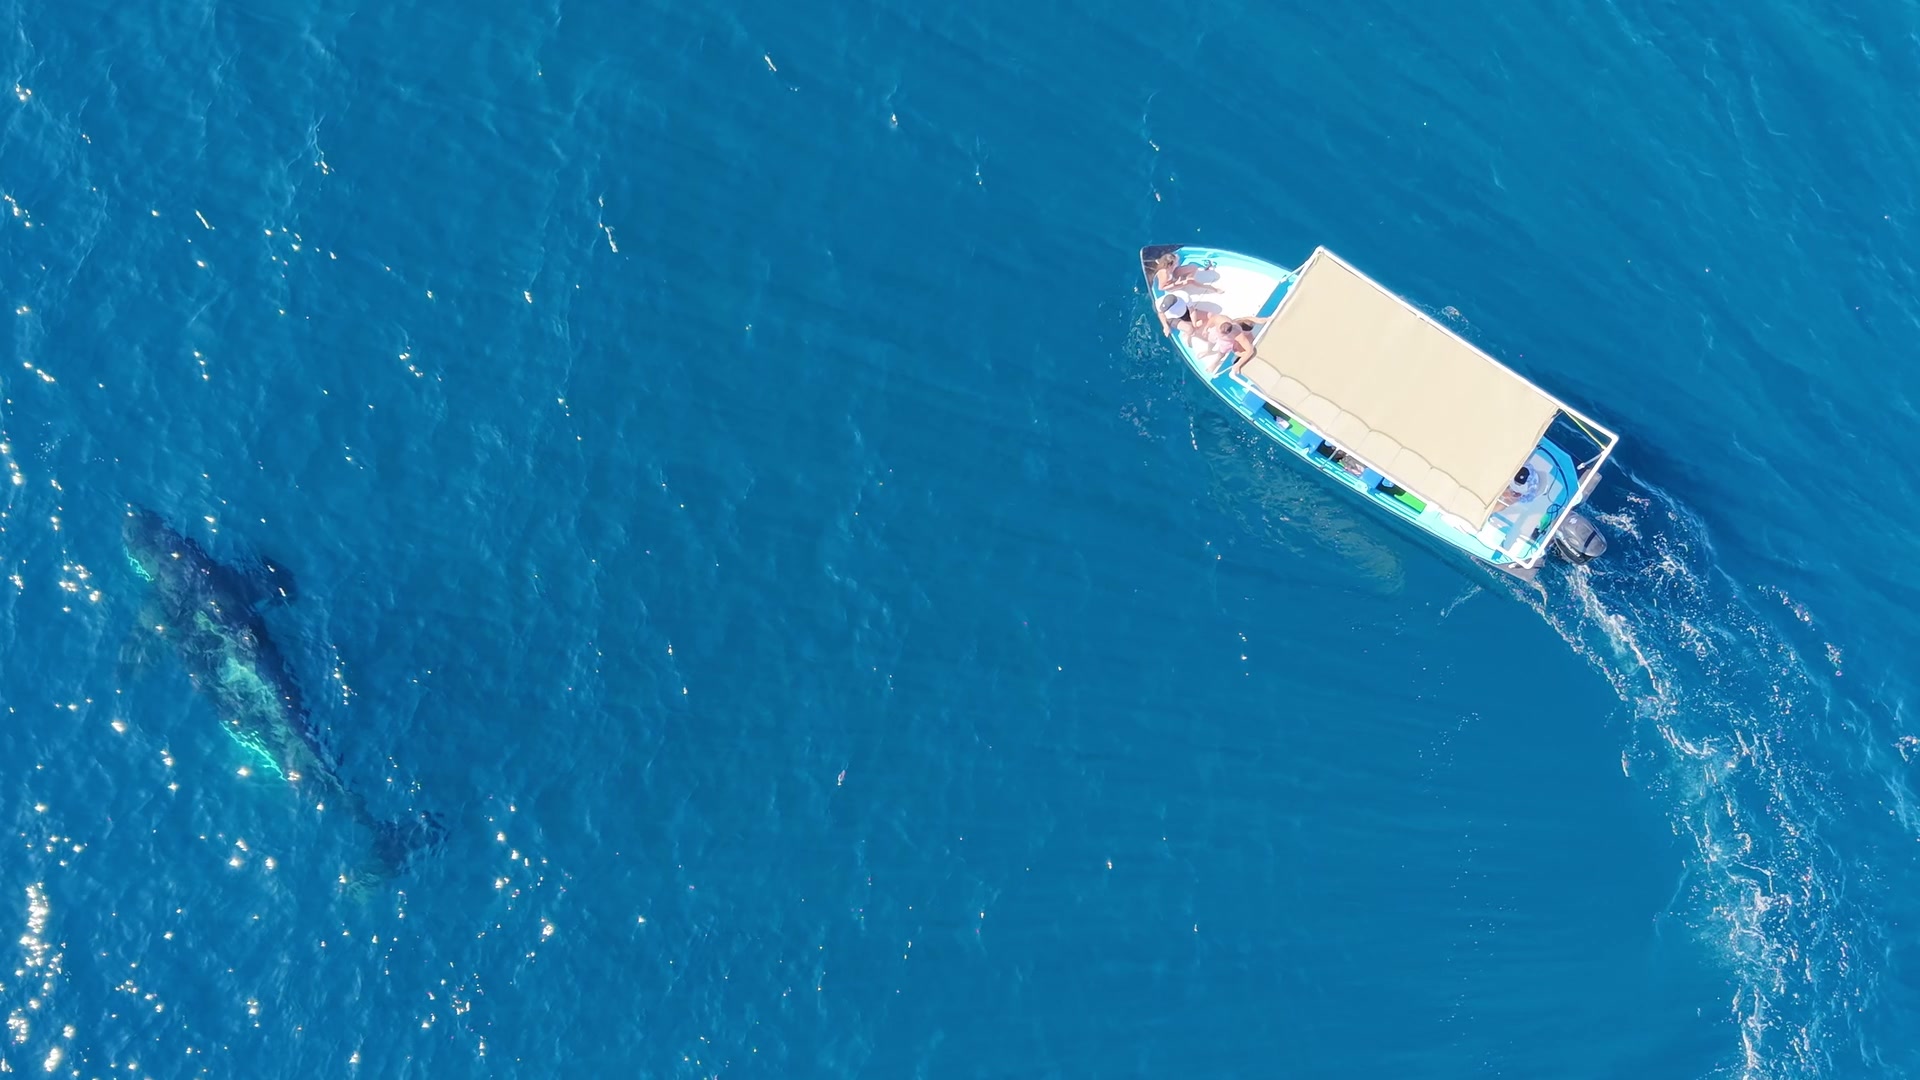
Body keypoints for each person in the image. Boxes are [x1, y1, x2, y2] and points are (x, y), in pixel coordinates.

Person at [1150, 252, 1216, 292]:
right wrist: (1175, 284)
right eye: (1175, 263)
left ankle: (1188, 277)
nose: (1177, 264)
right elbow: (1161, 288)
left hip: (1173, 275)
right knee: (1190, 281)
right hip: (1171, 284)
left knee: (1193, 267)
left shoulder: (1168, 264)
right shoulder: (1164, 274)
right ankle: (1213, 289)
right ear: (1169, 265)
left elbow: (1176, 257)